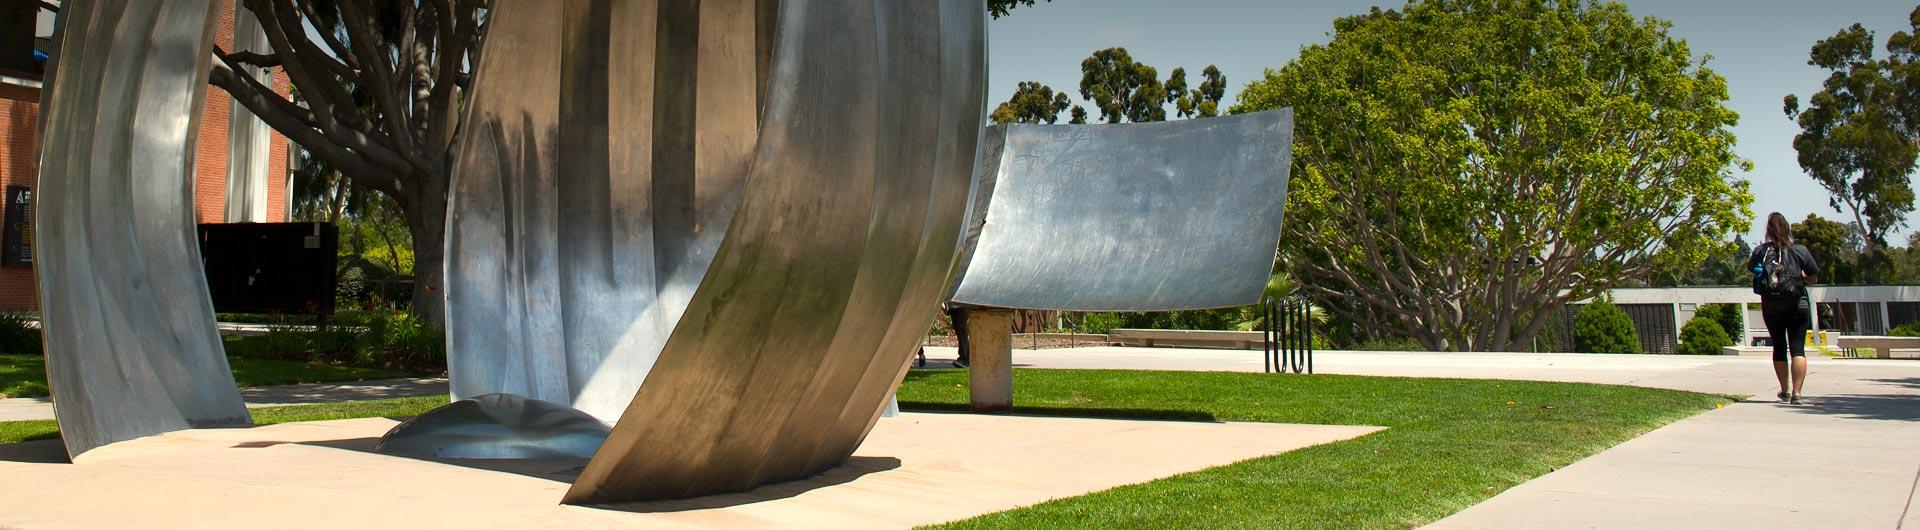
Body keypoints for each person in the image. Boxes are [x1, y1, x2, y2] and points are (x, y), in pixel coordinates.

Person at [1747, 212, 1820, 404]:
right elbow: (1813, 278)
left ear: (1768, 230)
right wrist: (1801, 276)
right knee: (1798, 349)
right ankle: (1797, 393)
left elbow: (1752, 269)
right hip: (1798, 305)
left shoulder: (1760, 252)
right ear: (1788, 229)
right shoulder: (1800, 251)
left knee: (1779, 347)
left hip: (1772, 306)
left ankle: (1784, 390)